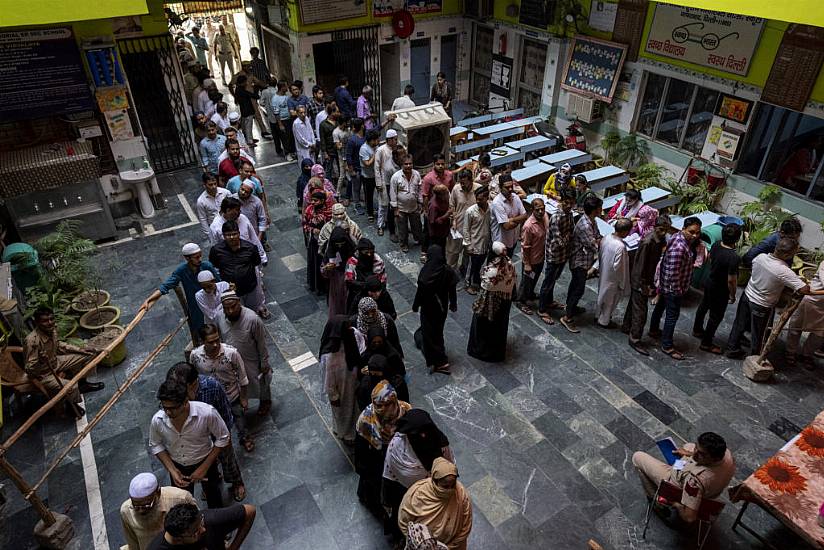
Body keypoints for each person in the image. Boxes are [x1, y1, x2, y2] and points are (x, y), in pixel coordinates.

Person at [166, 362, 245, 503]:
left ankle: (236, 482)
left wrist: (225, 436)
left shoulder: (212, 386)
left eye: (181, 389)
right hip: (194, 437)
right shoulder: (172, 393)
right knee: (203, 466)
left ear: (193, 384)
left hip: (215, 432)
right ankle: (209, 484)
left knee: (227, 459)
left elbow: (225, 413)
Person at [149, 379, 229, 509]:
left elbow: (223, 438)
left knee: (213, 496)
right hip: (177, 465)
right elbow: (155, 444)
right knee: (181, 502)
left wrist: (203, 468)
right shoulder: (158, 420)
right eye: (165, 407)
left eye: (173, 408)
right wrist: (172, 470)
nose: (168, 412)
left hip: (206, 462)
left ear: (185, 402)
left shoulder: (206, 413)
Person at [727, 238, 810, 358]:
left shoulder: (760, 257)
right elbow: (804, 289)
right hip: (762, 304)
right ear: (787, 254)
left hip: (747, 295)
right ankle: (755, 357)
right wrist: (799, 281)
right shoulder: (783, 270)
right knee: (760, 333)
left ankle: (732, 348)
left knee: (739, 324)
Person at [632, 432, 735, 525]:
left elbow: (689, 517)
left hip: (676, 484)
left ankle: (657, 502)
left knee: (637, 457)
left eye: (701, 454)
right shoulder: (727, 455)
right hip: (712, 492)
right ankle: (680, 464)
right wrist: (689, 454)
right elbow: (696, 454)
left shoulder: (694, 481)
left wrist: (677, 505)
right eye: (696, 449)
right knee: (688, 446)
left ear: (714, 458)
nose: (694, 455)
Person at [383, 409, 454, 542]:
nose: (422, 436)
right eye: (418, 434)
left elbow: (448, 467)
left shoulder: (439, 441)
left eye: (425, 432)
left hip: (436, 494)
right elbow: (392, 475)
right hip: (403, 492)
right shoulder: (398, 448)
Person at [24, 307, 102, 418]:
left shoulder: (52, 330)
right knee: (71, 386)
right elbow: (29, 368)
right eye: (45, 321)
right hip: (44, 374)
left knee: (88, 355)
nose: (50, 323)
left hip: (56, 362)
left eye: (51, 319)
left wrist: (79, 349)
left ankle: (83, 384)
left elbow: (60, 345)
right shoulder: (32, 341)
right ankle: (71, 405)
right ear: (37, 322)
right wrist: (40, 361)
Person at [190, 325, 253, 453]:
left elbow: (242, 376)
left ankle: (245, 438)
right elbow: (193, 376)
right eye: (210, 342)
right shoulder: (195, 356)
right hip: (210, 400)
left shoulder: (231, 353)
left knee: (239, 419)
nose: (215, 345)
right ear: (202, 341)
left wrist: (244, 397)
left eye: (217, 340)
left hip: (232, 395)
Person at [354, 381, 411, 519]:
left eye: (387, 405)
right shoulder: (366, 419)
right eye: (378, 405)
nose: (381, 409)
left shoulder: (405, 410)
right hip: (376, 461)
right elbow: (361, 448)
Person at [145, 243, 220, 340]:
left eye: (200, 256)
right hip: (196, 309)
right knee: (203, 333)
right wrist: (149, 299)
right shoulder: (182, 271)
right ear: (187, 258)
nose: (200, 259)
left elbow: (219, 284)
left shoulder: (207, 266)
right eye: (196, 257)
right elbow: (166, 285)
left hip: (213, 303)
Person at [215, 291, 273, 416]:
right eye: (226, 308)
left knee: (259, 382)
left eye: (233, 307)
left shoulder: (252, 319)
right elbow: (219, 336)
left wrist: (264, 361)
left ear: (239, 303)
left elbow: (261, 342)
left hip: (251, 359)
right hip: (231, 359)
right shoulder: (219, 316)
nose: (230, 311)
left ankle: (265, 401)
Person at [622, 215, 671, 356]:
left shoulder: (659, 240)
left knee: (634, 305)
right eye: (661, 229)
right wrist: (643, 285)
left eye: (666, 230)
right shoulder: (648, 242)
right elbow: (640, 266)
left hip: (646, 279)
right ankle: (635, 339)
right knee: (641, 312)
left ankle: (627, 326)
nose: (663, 233)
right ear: (655, 227)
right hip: (640, 281)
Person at [398, 458, 472, 550]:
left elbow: (466, 526)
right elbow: (404, 521)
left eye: (452, 485)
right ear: (434, 481)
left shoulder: (461, 494)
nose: (449, 490)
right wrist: (419, 543)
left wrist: (448, 547)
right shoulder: (417, 495)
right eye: (445, 486)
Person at [693, 224, 742, 354]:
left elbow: (709, 258)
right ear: (737, 239)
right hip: (720, 289)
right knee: (715, 316)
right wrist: (732, 295)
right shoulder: (734, 257)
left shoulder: (716, 245)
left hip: (710, 281)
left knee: (704, 306)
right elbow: (731, 280)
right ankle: (706, 343)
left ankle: (697, 329)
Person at [559, 196, 602, 334]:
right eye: (599, 208)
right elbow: (593, 244)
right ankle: (567, 317)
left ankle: (570, 306)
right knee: (579, 289)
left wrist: (598, 240)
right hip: (580, 261)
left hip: (584, 259)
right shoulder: (585, 225)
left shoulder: (591, 221)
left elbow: (598, 236)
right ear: (595, 210)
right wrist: (597, 242)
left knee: (575, 285)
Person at [120, 472, 196, 550]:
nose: (140, 511)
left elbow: (197, 525)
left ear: (158, 492)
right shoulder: (126, 510)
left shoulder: (181, 499)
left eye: (146, 505)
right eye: (136, 506)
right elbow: (132, 541)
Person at [467, 242, 516, 362]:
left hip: (489, 303)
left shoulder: (491, 271)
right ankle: (495, 353)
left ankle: (481, 351)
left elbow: (485, 287)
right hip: (504, 303)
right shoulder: (509, 265)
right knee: (498, 328)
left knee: (483, 327)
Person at [413, 245, 458, 374]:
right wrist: (453, 304)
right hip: (441, 308)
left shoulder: (426, 273)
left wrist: (415, 306)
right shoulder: (447, 271)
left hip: (428, 309)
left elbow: (420, 293)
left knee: (429, 334)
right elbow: (452, 289)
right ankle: (438, 358)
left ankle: (440, 361)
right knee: (437, 332)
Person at [209, 220, 268, 317]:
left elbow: (256, 264)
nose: (231, 237)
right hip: (230, 291)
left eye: (234, 234)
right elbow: (215, 267)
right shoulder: (216, 250)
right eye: (228, 235)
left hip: (250, 288)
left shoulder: (250, 248)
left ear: (239, 233)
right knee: (235, 315)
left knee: (252, 314)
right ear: (223, 236)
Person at [537, 189, 576, 325]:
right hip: (554, 254)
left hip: (563, 255)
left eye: (571, 203)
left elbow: (572, 231)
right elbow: (559, 242)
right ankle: (541, 309)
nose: (569, 205)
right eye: (566, 202)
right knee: (548, 282)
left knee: (554, 280)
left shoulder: (569, 214)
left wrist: (568, 237)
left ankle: (549, 301)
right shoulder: (556, 217)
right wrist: (568, 237)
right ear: (561, 201)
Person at [147, 501, 255, 550]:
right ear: (179, 539)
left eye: (201, 523)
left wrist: (234, 547)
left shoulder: (209, 520)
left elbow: (250, 511)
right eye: (196, 532)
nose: (203, 529)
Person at [786, 259, 824, 368]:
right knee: (795, 327)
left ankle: (807, 355)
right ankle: (790, 351)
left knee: (819, 334)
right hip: (811, 300)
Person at [208, 197, 267, 264]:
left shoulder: (243, 218)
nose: (239, 213)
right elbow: (216, 247)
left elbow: (254, 238)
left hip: (248, 256)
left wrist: (262, 256)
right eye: (236, 211)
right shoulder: (215, 227)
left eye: (239, 210)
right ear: (228, 210)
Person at [596, 218, 631, 328]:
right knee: (610, 300)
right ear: (625, 232)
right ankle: (604, 321)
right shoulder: (620, 247)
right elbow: (619, 267)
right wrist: (622, 282)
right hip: (613, 278)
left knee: (602, 295)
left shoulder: (606, 237)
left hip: (604, 271)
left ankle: (598, 314)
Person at [515, 197, 548, 316]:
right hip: (531, 260)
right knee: (526, 281)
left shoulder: (543, 218)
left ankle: (530, 294)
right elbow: (525, 247)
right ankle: (520, 300)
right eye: (538, 209)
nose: (541, 212)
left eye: (542, 209)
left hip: (539, 257)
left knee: (534, 279)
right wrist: (527, 264)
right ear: (532, 209)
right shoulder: (529, 226)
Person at [360, 325, 408, 403]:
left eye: (379, 342)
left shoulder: (392, 355)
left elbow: (400, 371)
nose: (377, 344)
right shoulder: (366, 356)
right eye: (374, 342)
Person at [447, 171, 480, 280]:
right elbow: (452, 206)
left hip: (473, 230)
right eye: (460, 183)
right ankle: (449, 274)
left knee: (468, 253)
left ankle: (464, 270)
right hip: (458, 228)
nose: (462, 185)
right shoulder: (456, 189)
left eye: (464, 183)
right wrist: (453, 220)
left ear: (471, 180)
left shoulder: (479, 189)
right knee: (453, 253)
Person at [390, 154, 423, 253]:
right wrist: (395, 209)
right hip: (401, 209)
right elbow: (393, 193)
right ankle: (403, 244)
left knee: (417, 226)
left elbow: (419, 189)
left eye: (410, 164)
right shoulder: (396, 177)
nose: (408, 166)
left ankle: (418, 239)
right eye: (406, 164)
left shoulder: (416, 174)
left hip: (414, 207)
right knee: (402, 229)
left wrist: (420, 203)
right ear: (402, 165)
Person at [321, 226, 357, 318]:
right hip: (336, 282)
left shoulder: (351, 248)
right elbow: (323, 270)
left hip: (350, 282)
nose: (340, 246)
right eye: (338, 244)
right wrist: (327, 268)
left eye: (342, 244)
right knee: (337, 307)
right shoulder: (329, 251)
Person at [490, 175, 528, 259]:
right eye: (507, 187)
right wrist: (519, 219)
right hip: (500, 244)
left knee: (507, 267)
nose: (510, 189)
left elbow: (525, 215)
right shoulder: (497, 202)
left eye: (511, 186)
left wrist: (512, 219)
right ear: (500, 187)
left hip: (513, 240)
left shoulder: (516, 197)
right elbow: (507, 226)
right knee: (496, 269)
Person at [345, 238, 387, 314]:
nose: (369, 255)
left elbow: (382, 279)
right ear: (360, 251)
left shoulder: (377, 261)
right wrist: (364, 285)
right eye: (366, 252)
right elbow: (349, 280)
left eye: (371, 252)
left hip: (375, 294)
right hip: (357, 294)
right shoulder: (352, 261)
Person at [463, 186, 492, 295]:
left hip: (484, 245)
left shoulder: (491, 209)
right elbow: (466, 229)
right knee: (471, 267)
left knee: (479, 265)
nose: (478, 201)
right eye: (477, 199)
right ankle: (467, 284)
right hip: (474, 245)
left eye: (481, 199)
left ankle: (476, 282)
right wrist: (468, 245)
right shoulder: (470, 211)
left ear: (487, 197)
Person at [303, 190, 332, 295]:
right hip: (314, 242)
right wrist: (312, 229)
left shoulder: (329, 212)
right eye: (312, 200)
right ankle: (316, 286)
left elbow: (332, 226)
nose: (313, 203)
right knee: (314, 262)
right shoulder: (309, 210)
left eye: (316, 200)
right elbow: (305, 223)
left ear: (322, 200)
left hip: (325, 243)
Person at [374, 129, 400, 239]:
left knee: (396, 204)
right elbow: (376, 167)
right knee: (383, 205)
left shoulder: (399, 148)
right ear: (389, 140)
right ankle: (380, 226)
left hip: (396, 181)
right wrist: (378, 183)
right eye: (394, 139)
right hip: (385, 181)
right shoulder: (381, 150)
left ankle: (397, 226)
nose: (396, 141)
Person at [196, 172, 230, 240]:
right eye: (210, 185)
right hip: (215, 229)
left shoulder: (226, 193)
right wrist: (209, 235)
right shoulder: (201, 201)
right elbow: (203, 219)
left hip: (229, 225)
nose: (214, 187)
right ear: (204, 185)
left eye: (215, 183)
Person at [346, 118, 366, 215]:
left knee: (364, 187)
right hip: (357, 168)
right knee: (356, 188)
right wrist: (351, 170)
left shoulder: (365, 136)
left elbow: (376, 129)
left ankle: (365, 203)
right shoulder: (352, 140)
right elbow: (348, 155)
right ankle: (357, 205)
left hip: (365, 168)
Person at [359, 130, 380, 223]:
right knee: (369, 195)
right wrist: (375, 155)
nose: (377, 142)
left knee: (380, 193)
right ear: (370, 140)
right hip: (368, 176)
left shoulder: (375, 146)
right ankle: (370, 213)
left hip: (376, 174)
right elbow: (367, 163)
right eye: (375, 140)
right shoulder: (364, 149)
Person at [232, 75, 260, 145]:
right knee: (248, 126)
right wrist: (256, 90)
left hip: (244, 111)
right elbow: (253, 95)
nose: (247, 83)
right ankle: (249, 141)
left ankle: (249, 138)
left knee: (246, 126)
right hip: (248, 111)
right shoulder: (241, 90)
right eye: (245, 82)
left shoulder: (238, 90)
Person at [268, 80, 292, 159]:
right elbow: (276, 112)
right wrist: (280, 124)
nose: (287, 87)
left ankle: (292, 151)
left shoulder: (287, 96)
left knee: (290, 137)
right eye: (286, 86)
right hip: (282, 120)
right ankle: (287, 153)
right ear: (282, 87)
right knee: (284, 137)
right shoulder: (275, 99)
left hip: (289, 119)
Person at [428, 184, 453, 251]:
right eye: (446, 193)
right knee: (437, 250)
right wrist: (447, 215)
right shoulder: (433, 206)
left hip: (444, 231)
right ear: (440, 195)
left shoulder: (443, 199)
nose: (448, 195)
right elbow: (433, 221)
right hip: (437, 233)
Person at [333, 115, 351, 201]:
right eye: (346, 122)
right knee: (342, 175)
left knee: (350, 175)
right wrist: (343, 143)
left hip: (349, 154)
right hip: (342, 156)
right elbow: (338, 146)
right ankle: (337, 193)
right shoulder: (336, 132)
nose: (348, 124)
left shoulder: (348, 130)